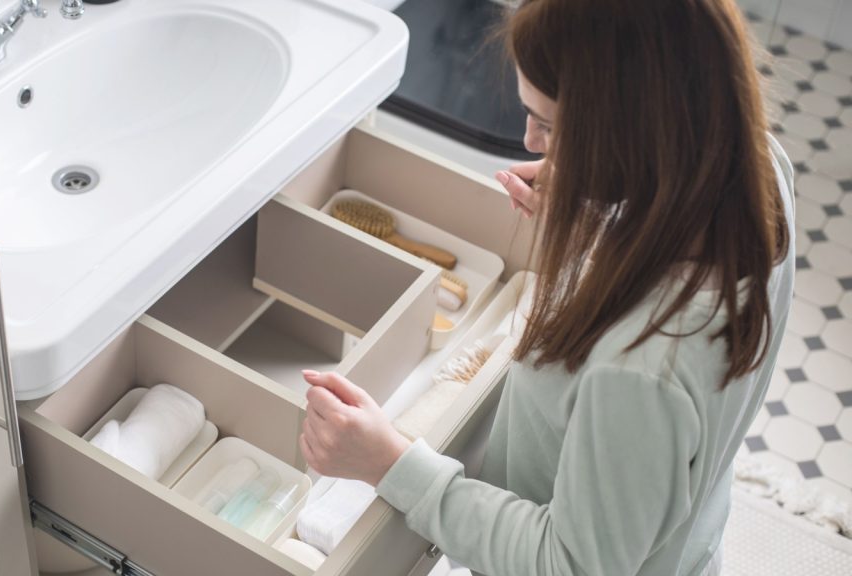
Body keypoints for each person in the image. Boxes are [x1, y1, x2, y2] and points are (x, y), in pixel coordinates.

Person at [297, 0, 796, 575]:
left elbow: (570, 565)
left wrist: (391, 464)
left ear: (632, 126)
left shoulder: (639, 368)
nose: (531, 141)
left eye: (553, 124)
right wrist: (607, 212)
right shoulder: (757, 171)